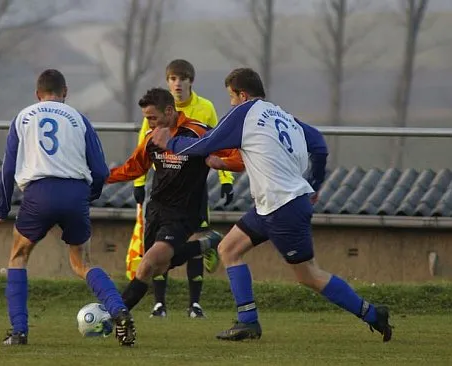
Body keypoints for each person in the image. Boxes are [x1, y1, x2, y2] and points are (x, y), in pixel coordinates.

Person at [151, 68, 393, 342]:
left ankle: (373, 314)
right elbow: (319, 146)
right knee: (228, 248)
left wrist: (170, 141)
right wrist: (313, 183)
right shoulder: (284, 116)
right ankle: (247, 321)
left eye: (231, 97)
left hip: (282, 207)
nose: (230, 104)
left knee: (309, 276)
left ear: (242, 95)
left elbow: (207, 143)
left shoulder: (245, 112)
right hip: (272, 205)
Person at [0, 69, 136, 347]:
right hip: (75, 192)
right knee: (83, 263)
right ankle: (119, 310)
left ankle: (19, 332)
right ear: (65, 92)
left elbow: (7, 169)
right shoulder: (79, 119)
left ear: (37, 94)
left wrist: (0, 211)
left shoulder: (23, 117)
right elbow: (100, 170)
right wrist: (89, 197)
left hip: (39, 193)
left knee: (18, 256)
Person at [107, 87, 244, 315]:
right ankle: (205, 244)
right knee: (157, 267)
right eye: (146, 118)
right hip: (156, 210)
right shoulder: (152, 138)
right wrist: (103, 178)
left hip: (184, 213)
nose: (149, 123)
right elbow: (134, 167)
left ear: (169, 111)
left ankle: (113, 315)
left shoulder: (199, 133)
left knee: (148, 264)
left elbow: (239, 156)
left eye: (153, 117)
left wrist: (223, 165)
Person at [133, 59, 234, 318]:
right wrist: (139, 182)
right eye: (173, 79)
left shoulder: (204, 109)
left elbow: (218, 143)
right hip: (163, 189)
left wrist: (226, 179)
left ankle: (195, 303)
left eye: (182, 79)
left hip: (191, 191)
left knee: (187, 240)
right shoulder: (155, 110)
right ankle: (159, 303)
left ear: (191, 81)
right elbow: (144, 147)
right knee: (156, 248)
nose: (177, 83)